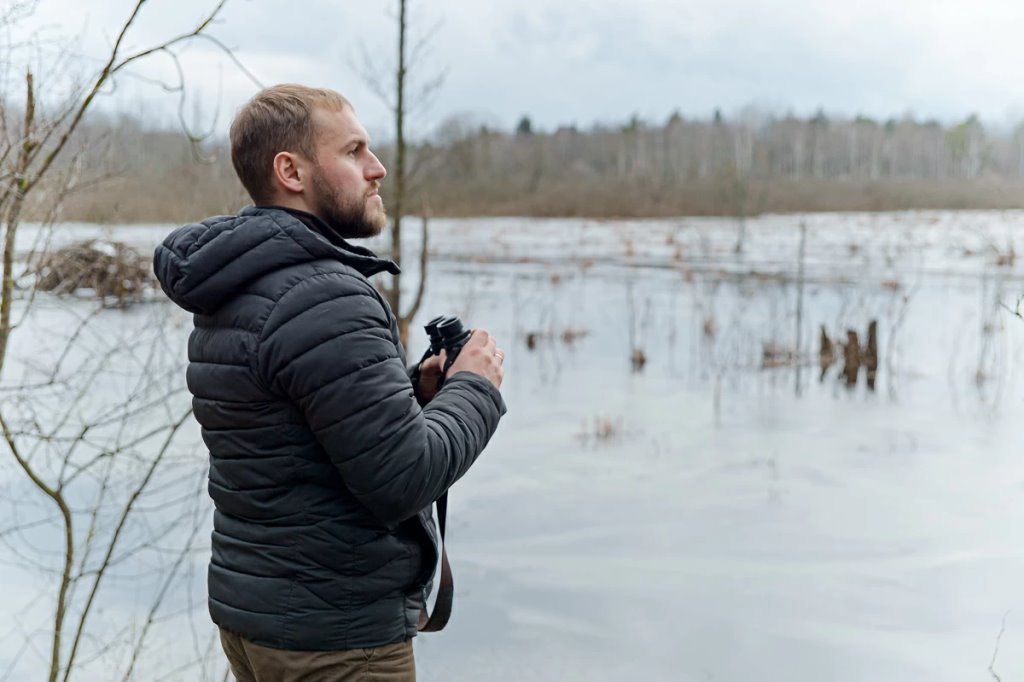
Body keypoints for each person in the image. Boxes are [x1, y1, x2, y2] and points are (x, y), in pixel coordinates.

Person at [153, 84, 507, 681]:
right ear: (291, 170)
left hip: (259, 622)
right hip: (337, 643)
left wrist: (411, 399)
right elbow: (404, 478)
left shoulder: (236, 284)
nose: (378, 169)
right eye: (354, 152)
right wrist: (476, 387)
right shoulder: (326, 295)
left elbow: (291, 438)